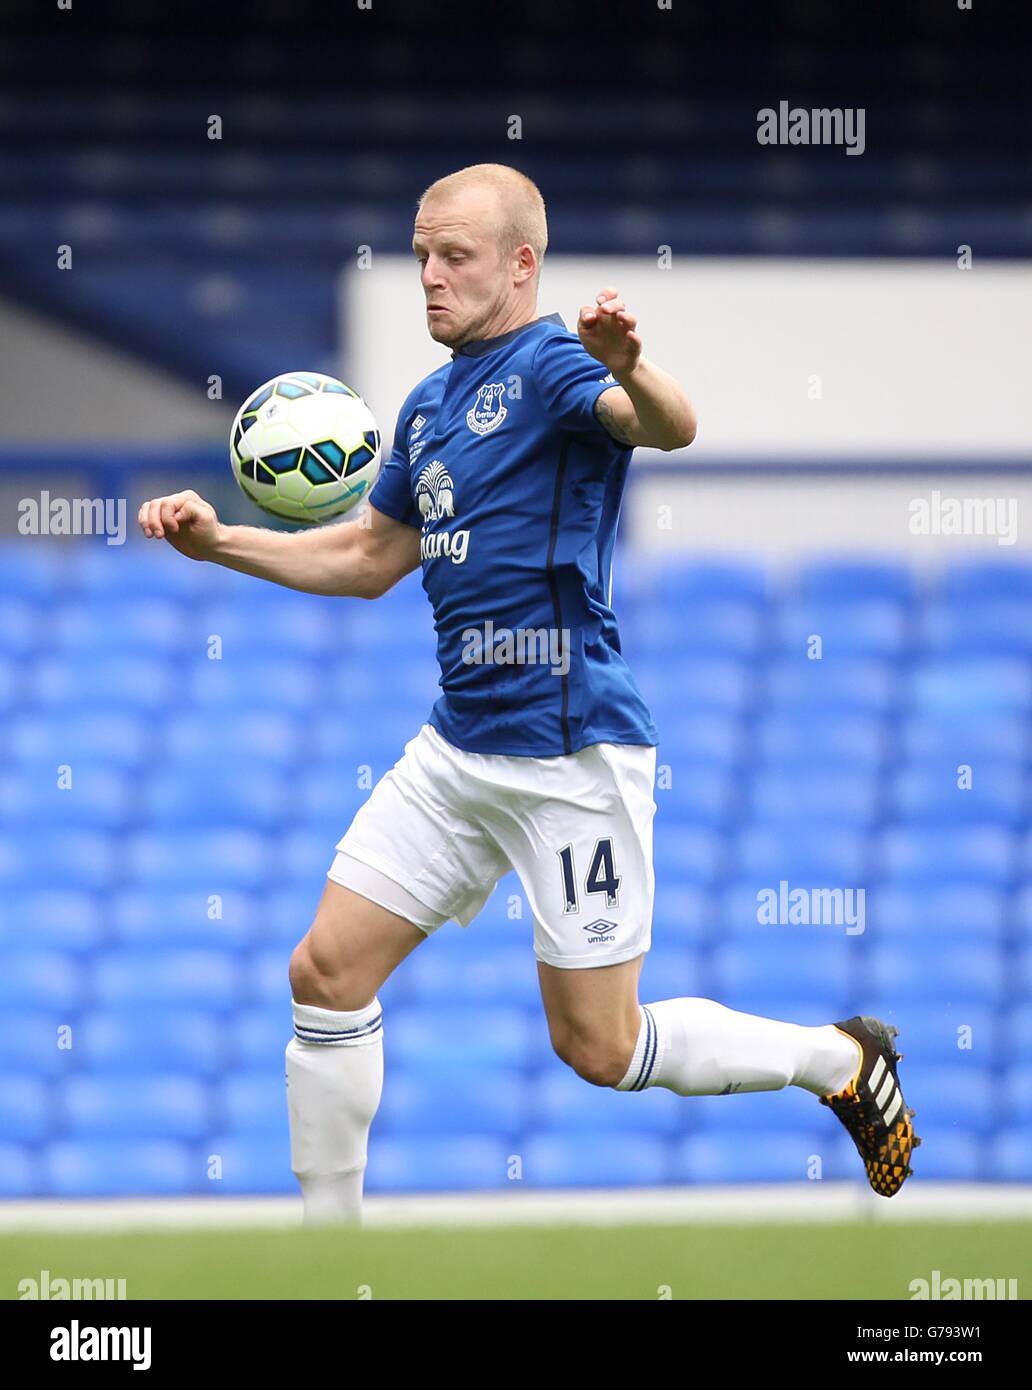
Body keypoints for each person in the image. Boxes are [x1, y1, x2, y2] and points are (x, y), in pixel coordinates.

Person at [139, 163, 918, 1222]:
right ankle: (322, 1254)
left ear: (520, 263)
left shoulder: (556, 366)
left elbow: (670, 426)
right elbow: (372, 554)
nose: (428, 277)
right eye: (419, 255)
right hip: (460, 748)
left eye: (452, 257)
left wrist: (632, 367)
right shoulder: (426, 406)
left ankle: (837, 1057)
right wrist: (221, 540)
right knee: (324, 970)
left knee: (600, 1046)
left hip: (569, 750)